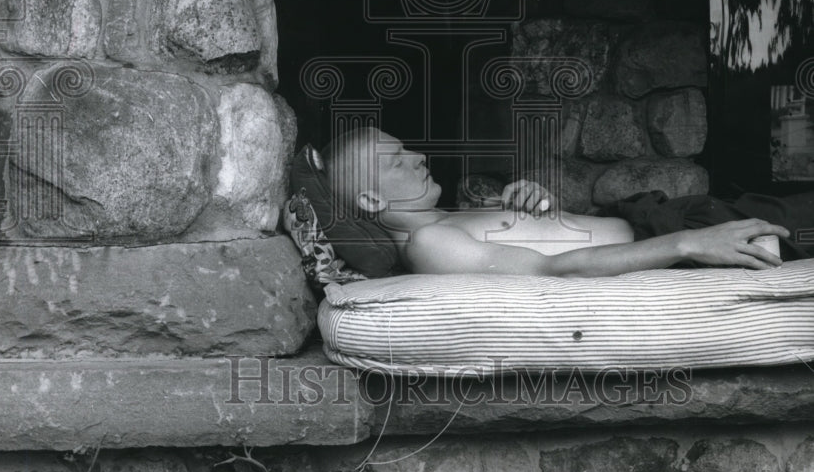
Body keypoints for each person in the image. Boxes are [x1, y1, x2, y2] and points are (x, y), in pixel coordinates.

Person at [323, 127, 789, 278]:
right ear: (370, 198)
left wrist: (546, 208)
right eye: (398, 160)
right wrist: (689, 244)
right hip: (664, 236)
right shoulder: (428, 242)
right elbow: (555, 269)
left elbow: (548, 241)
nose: (419, 156)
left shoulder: (447, 217)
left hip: (650, 216)